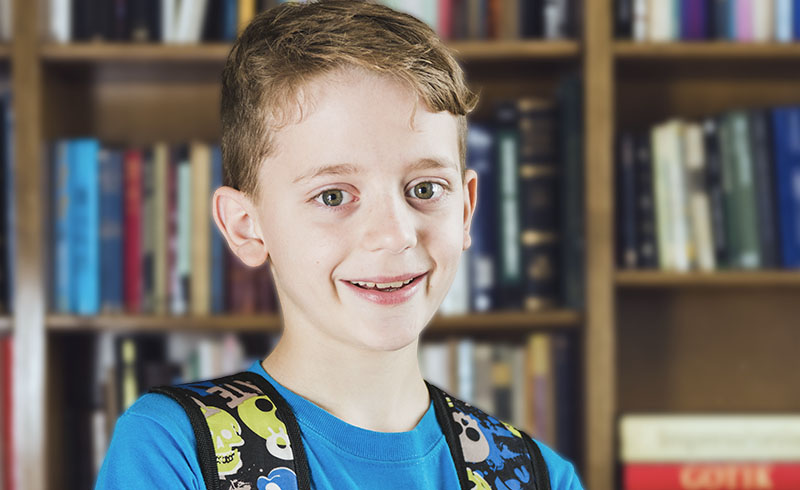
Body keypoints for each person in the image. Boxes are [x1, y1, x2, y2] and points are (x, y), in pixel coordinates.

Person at [95, 1, 584, 488]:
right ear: (245, 225)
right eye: (333, 196)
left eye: (425, 189)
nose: (395, 234)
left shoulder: (538, 475)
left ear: (465, 209)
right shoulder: (176, 447)